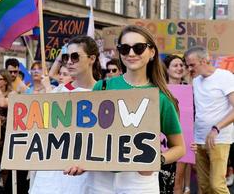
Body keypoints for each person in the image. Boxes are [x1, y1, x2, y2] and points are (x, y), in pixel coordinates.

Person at [72, 25, 185, 193]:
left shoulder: (161, 98)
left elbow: (179, 147)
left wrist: (156, 160)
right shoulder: (102, 87)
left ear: (151, 52)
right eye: (125, 49)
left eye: (138, 48)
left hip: (139, 182)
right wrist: (79, 160)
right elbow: (85, 134)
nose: (131, 54)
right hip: (99, 179)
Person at [29, 35, 102, 194]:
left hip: (86, 172)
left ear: (92, 59)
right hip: (54, 174)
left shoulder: (104, 93)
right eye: (66, 57)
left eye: (75, 56)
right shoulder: (58, 91)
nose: (69, 61)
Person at [184, 46, 234, 194]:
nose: (189, 68)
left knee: (217, 185)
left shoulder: (225, 77)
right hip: (199, 139)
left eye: (192, 64)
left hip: (219, 139)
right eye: (187, 65)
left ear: (205, 60)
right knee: (204, 186)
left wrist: (216, 128)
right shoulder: (196, 81)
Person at [163, 54, 192, 194]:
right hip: (160, 143)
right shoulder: (159, 89)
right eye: (175, 65)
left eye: (182, 65)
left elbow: (193, 118)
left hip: (182, 143)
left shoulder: (190, 90)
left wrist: (193, 140)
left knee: (177, 183)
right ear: (167, 69)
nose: (179, 68)